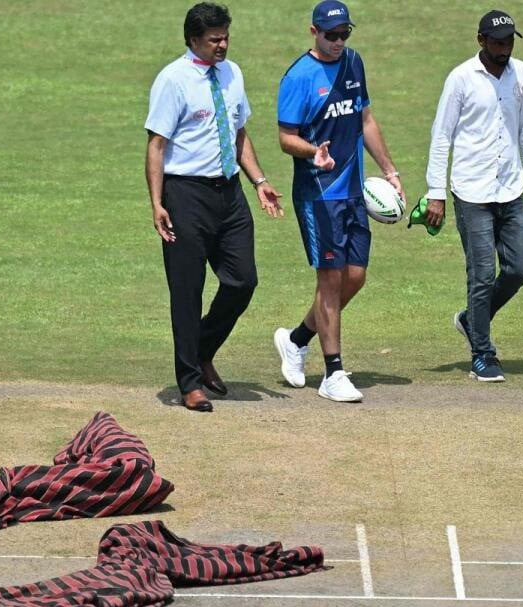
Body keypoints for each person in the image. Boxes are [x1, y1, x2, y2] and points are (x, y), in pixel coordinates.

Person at [146, 3, 284, 413]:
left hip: (230, 193)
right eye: (214, 39)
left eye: (225, 37)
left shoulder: (232, 73)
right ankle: (189, 382)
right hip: (185, 195)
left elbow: (239, 132)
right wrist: (156, 203)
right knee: (186, 292)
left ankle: (202, 349)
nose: (222, 45)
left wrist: (260, 181)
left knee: (243, 281)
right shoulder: (173, 80)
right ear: (193, 39)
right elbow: (156, 146)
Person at [273, 0, 404, 403]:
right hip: (319, 194)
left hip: (353, 192)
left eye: (345, 34)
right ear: (314, 32)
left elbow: (365, 120)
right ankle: (333, 373)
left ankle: (296, 340)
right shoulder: (298, 77)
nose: (339, 42)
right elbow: (285, 137)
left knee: (355, 277)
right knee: (329, 281)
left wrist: (390, 171)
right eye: (331, 35)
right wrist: (313, 152)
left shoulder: (354, 64)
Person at [424, 10, 523, 383]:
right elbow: (441, 135)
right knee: (481, 275)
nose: (504, 49)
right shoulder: (461, 79)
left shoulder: (521, 75)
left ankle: (469, 320)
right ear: (481, 41)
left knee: (519, 268)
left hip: (510, 187)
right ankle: (483, 353)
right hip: (471, 191)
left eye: (509, 41)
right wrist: (435, 193)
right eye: (497, 42)